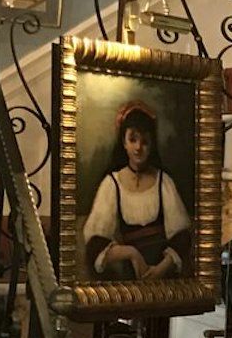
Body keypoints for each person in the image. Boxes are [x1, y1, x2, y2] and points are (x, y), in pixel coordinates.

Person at [81, 102, 193, 282]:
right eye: (133, 140)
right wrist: (132, 253)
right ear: (124, 143)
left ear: (151, 145)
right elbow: (95, 243)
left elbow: (181, 238)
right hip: (129, 279)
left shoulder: (163, 182)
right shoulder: (112, 184)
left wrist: (160, 270)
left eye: (145, 141)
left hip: (163, 276)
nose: (138, 148)